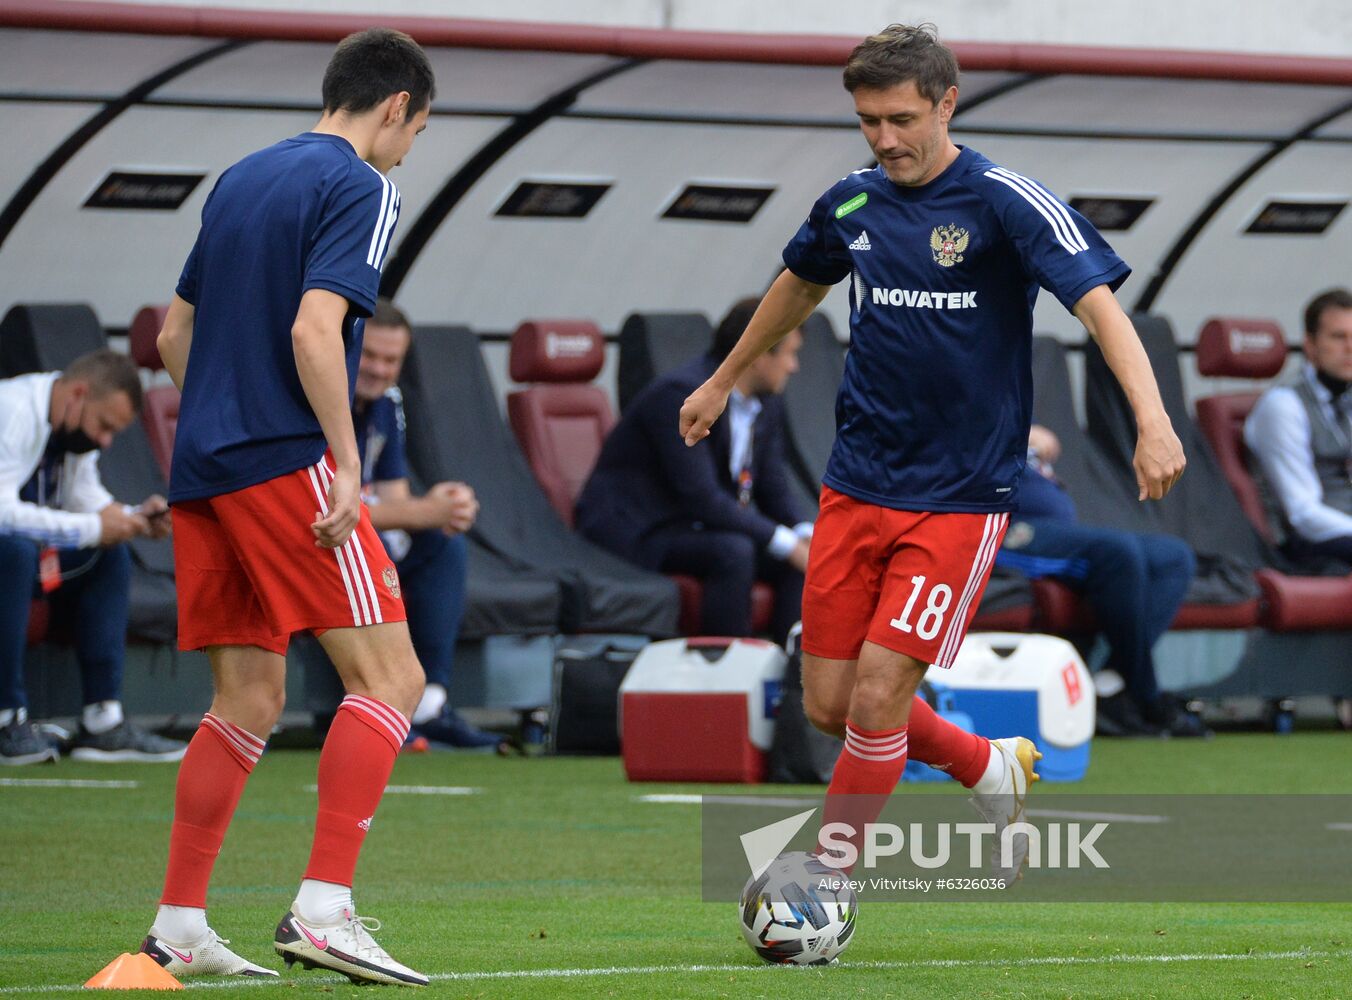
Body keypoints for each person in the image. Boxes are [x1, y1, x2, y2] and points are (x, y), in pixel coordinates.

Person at [679, 24, 1185, 879]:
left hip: (960, 498)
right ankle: (986, 764)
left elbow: (1099, 307)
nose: (884, 139)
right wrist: (724, 378)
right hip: (856, 485)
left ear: (948, 104)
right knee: (830, 705)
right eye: (868, 121)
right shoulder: (851, 200)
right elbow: (801, 281)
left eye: (901, 119)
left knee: (879, 698)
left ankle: (824, 881)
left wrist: (1155, 420)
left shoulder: (1005, 200)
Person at [137, 29, 434, 985]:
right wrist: (344, 464)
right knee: (390, 681)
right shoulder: (363, 185)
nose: (408, 151)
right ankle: (325, 908)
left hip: (204, 470)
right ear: (395, 107)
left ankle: (178, 928)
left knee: (248, 699)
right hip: (283, 463)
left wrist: (223, 415)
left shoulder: (242, 176)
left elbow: (172, 332)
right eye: (416, 131)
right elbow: (318, 327)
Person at [300, 298, 504, 751]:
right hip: (309, 539)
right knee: (388, 540)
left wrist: (441, 507)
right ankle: (379, 702)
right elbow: (321, 505)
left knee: (442, 543)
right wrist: (423, 510)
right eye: (369, 356)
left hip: (357, 536)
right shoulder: (316, 394)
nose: (378, 369)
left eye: (391, 360)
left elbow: (391, 502)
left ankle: (428, 702)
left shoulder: (387, 403)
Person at [576, 298, 812, 644]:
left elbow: (774, 487)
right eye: (789, 353)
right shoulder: (682, 395)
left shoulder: (767, 403)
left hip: (696, 524)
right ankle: (726, 679)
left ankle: (792, 679)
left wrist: (805, 534)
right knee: (734, 551)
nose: (794, 366)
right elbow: (700, 496)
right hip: (641, 529)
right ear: (760, 352)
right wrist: (785, 541)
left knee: (800, 562)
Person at [0, 350, 185, 765]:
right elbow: (3, 513)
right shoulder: (12, 411)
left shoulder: (70, 425)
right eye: (104, 426)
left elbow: (85, 497)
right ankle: (5, 718)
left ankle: (103, 722)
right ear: (78, 394)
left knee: (109, 556)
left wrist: (133, 517)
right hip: (8, 555)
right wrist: (95, 528)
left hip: (27, 561)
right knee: (11, 550)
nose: (104, 441)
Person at [996, 425, 1207, 737]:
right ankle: (1146, 697)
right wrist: (1015, 434)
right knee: (1117, 553)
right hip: (1002, 529)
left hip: (1055, 529)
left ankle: (1111, 684)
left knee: (1172, 556)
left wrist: (1029, 433)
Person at [1244, 288, 1352, 572]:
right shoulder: (1283, 405)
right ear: (1310, 345)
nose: (1350, 347)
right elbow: (1303, 514)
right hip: (1305, 545)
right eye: (1338, 337)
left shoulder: (1347, 399)